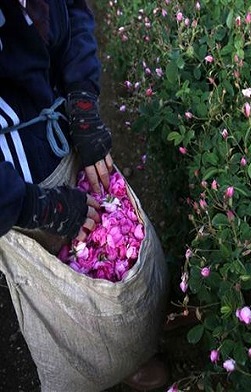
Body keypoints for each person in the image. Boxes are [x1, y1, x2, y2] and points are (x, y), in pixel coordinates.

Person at [0, 0, 167, 389]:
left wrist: (83, 99)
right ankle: (100, 362)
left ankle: (126, 347)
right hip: (14, 176)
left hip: (56, 122)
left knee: (105, 262)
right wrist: (32, 206)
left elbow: (73, 12)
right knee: (59, 292)